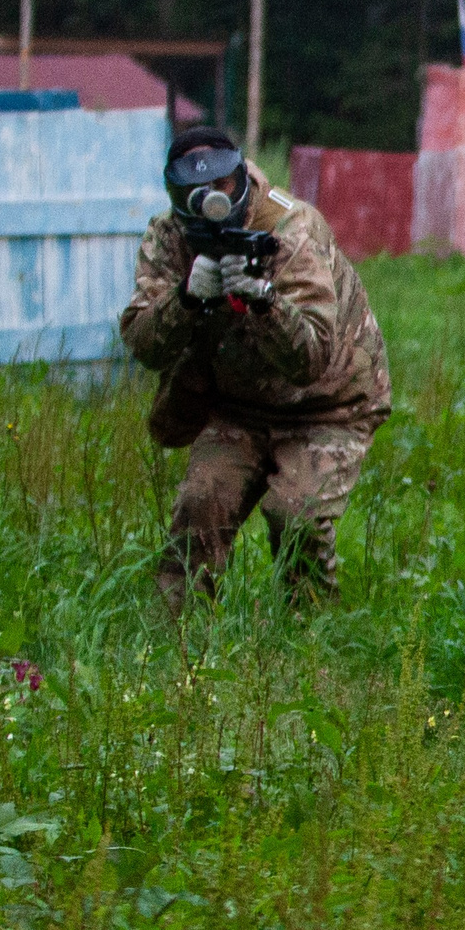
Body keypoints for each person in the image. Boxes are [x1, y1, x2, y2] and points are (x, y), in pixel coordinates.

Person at [120, 127, 391, 613]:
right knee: (200, 505)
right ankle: (174, 640)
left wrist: (264, 301)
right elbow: (144, 345)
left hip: (328, 407)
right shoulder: (169, 236)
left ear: (241, 177)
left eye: (222, 185)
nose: (212, 201)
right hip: (238, 407)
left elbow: (312, 359)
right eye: (196, 192)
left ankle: (310, 634)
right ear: (177, 197)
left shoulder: (291, 230)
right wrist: (186, 298)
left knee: (296, 517)